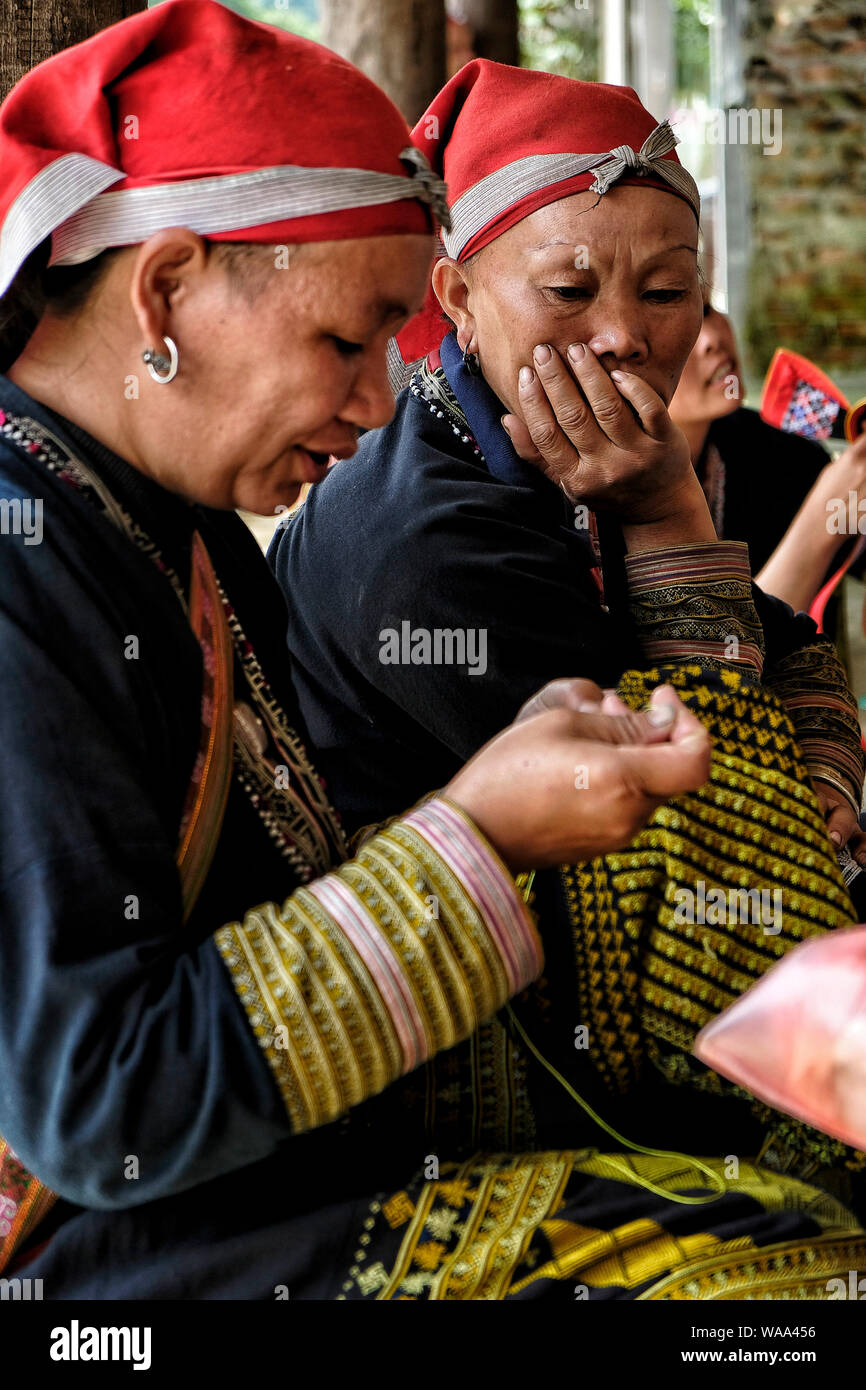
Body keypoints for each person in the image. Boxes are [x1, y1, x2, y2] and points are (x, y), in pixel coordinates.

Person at [3, 0, 851, 1303]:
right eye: (346, 343)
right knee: (788, 1258)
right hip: (121, 1240)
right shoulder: (28, 567)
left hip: (277, 1137)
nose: (366, 401)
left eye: (669, 290)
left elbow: (776, 695)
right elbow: (105, 1105)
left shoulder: (176, 532)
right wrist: (481, 832)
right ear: (165, 286)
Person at [271, 59, 866, 1223]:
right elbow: (689, 826)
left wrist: (824, 771)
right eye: (565, 290)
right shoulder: (427, 542)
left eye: (664, 292)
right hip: (477, 1067)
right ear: (456, 296)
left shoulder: (565, 457)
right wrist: (668, 517)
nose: (621, 341)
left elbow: (788, 644)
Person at [669, 292, 866, 616]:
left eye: (706, 310)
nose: (711, 339)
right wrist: (819, 523)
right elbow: (722, 659)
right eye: (678, 325)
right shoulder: (588, 501)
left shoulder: (789, 458)